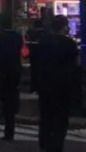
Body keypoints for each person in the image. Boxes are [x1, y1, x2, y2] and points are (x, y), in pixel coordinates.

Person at [33, 15, 82, 152]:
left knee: (46, 115)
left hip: (45, 84)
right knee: (61, 117)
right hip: (63, 85)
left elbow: (36, 64)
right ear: (64, 27)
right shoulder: (70, 44)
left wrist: (35, 83)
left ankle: (44, 142)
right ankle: (57, 144)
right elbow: (75, 67)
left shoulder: (42, 42)